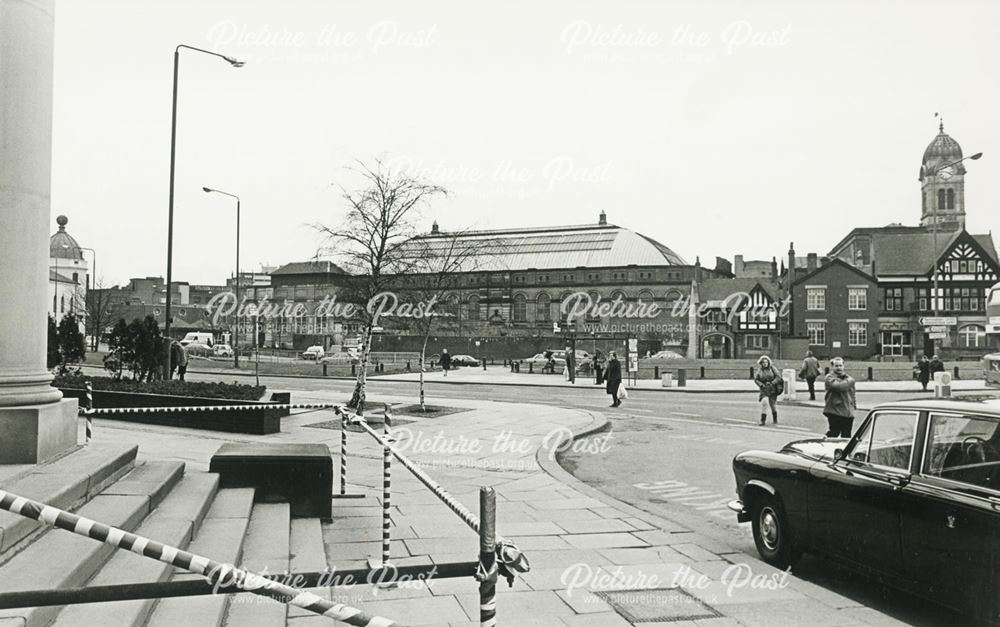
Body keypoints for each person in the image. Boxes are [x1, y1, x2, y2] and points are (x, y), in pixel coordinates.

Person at [823, 357, 856, 438]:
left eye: (840, 365)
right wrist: (850, 381)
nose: (839, 368)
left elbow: (852, 393)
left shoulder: (847, 377)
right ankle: (825, 443)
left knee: (846, 436)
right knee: (834, 432)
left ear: (843, 366)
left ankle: (843, 450)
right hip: (835, 411)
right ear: (832, 367)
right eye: (836, 366)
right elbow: (839, 387)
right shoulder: (829, 377)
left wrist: (853, 405)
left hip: (847, 412)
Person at [754, 355, 781, 425]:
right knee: (764, 403)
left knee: (772, 405)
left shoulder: (772, 368)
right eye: (763, 362)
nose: (765, 363)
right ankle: (763, 420)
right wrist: (761, 384)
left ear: (769, 362)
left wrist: (773, 382)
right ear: (761, 363)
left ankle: (775, 418)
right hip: (764, 389)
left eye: (766, 362)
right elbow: (756, 379)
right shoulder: (759, 370)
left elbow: (778, 377)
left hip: (772, 388)